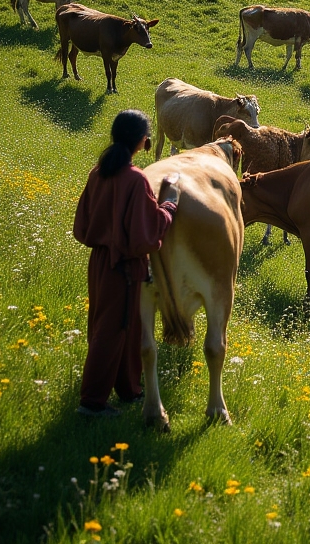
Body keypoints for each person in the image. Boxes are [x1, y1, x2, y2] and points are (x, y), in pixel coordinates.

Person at [73, 109, 180, 416]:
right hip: (125, 267)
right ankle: (91, 402)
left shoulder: (99, 171)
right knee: (112, 329)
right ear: (142, 142)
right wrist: (169, 204)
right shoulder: (135, 180)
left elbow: (83, 222)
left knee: (126, 327)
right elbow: (146, 234)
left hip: (100, 261)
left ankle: (128, 388)